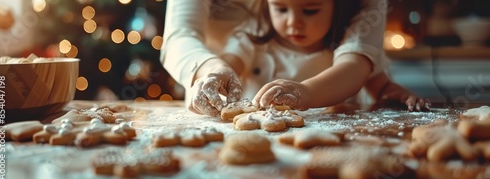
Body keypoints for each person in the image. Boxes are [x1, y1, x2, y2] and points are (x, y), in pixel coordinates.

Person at [161, 0, 429, 117]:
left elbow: (364, 75)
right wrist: (216, 74)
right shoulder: (252, 38)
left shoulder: (344, 45)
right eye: (280, 8)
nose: (294, 22)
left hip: (335, 141)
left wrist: (305, 93)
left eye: (310, 10)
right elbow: (228, 66)